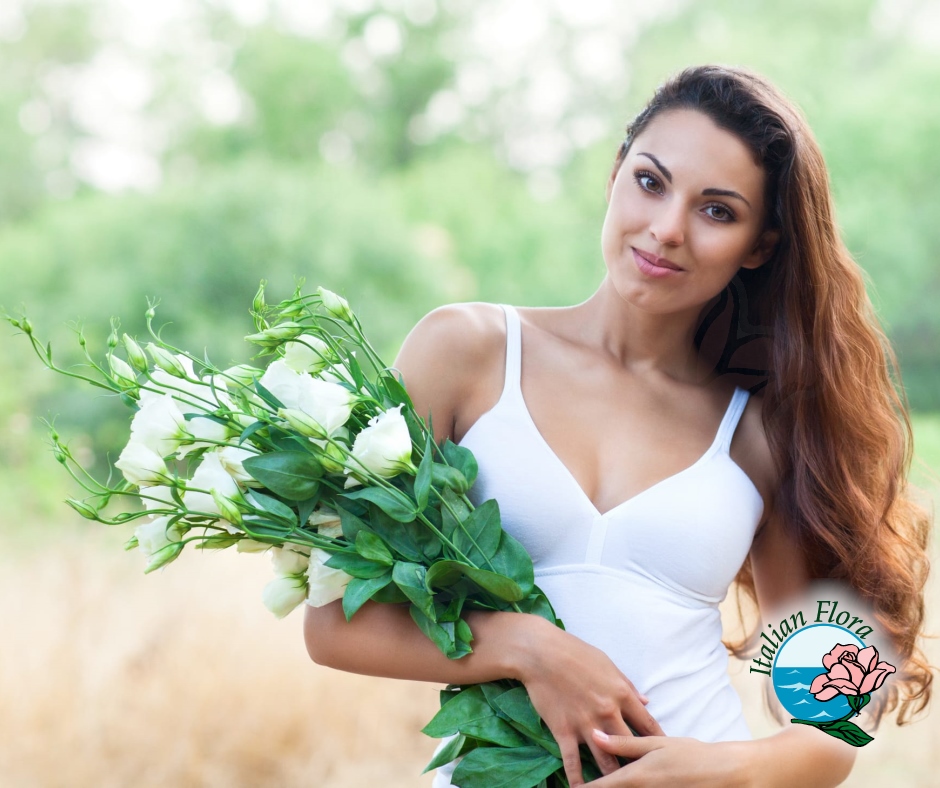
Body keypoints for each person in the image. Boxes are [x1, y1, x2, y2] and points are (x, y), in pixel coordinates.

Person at [304, 65, 933, 786]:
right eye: (650, 181)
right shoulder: (468, 354)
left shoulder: (762, 434)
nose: (666, 229)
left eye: (718, 211)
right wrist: (529, 648)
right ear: (615, 174)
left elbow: (832, 729)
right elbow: (334, 623)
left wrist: (721, 771)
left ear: (759, 245)